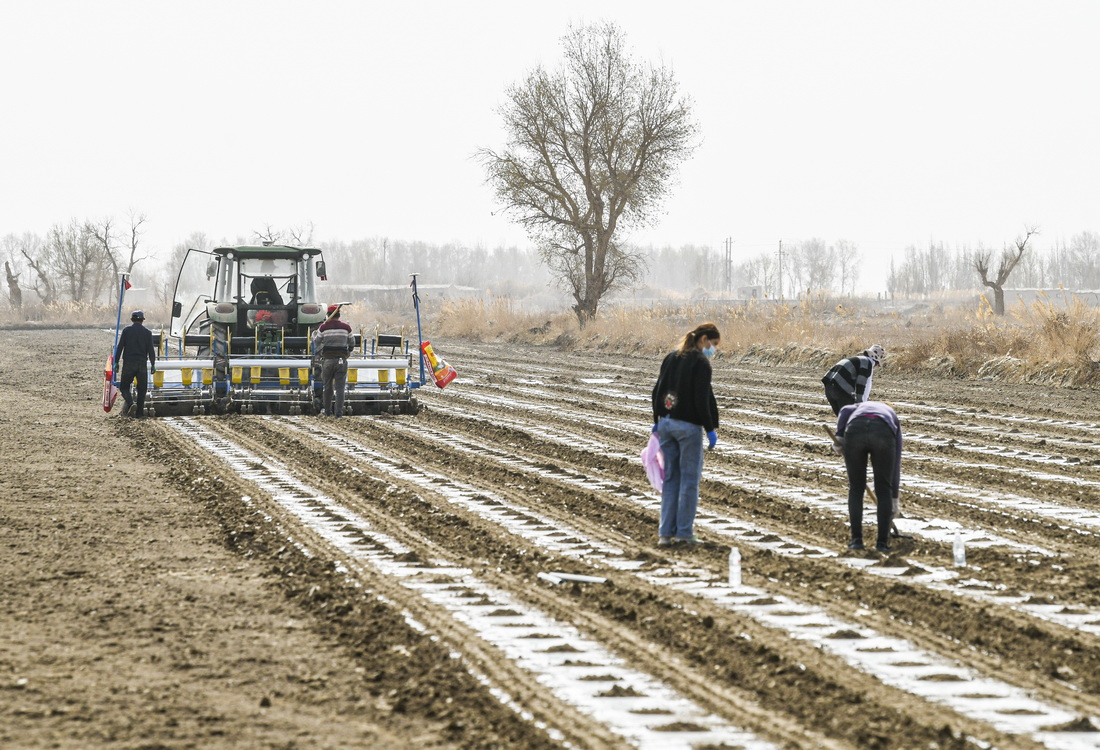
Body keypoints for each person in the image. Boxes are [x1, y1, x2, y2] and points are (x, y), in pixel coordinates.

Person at [651, 322, 720, 547]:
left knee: (671, 479)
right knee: (689, 480)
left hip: (666, 425)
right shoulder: (701, 363)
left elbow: (659, 390)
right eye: (713, 344)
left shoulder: (672, 357)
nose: (713, 349)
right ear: (704, 340)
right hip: (688, 427)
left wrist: (658, 420)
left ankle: (665, 534)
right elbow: (701, 399)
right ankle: (683, 533)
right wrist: (709, 428)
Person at [834, 400, 902, 553]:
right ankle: (882, 544)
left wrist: (839, 436)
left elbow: (844, 409)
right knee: (884, 489)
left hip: (855, 430)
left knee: (856, 487)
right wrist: (894, 499)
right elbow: (896, 464)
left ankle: (856, 541)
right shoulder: (892, 417)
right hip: (883, 432)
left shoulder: (858, 407)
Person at [312, 304, 355, 417]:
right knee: (340, 388)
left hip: (328, 361)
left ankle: (327, 412)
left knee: (327, 387)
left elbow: (316, 342)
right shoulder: (347, 327)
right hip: (341, 361)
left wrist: (315, 335)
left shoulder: (323, 327)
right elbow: (352, 342)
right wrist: (348, 351)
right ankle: (338, 414)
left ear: (328, 315)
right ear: (339, 315)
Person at [114, 310, 157, 418]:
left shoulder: (126, 331)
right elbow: (151, 350)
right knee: (142, 389)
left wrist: (116, 362)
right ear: (142, 320)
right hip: (142, 364)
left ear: (132, 320)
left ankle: (131, 403)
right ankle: (139, 414)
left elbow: (120, 347)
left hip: (129, 363)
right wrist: (153, 364)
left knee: (124, 387)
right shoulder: (147, 333)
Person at [822, 344, 885, 416]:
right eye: (877, 365)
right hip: (840, 390)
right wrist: (860, 403)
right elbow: (861, 384)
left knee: (843, 419)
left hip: (829, 388)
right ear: (876, 361)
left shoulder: (858, 359)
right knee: (852, 418)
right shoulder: (867, 363)